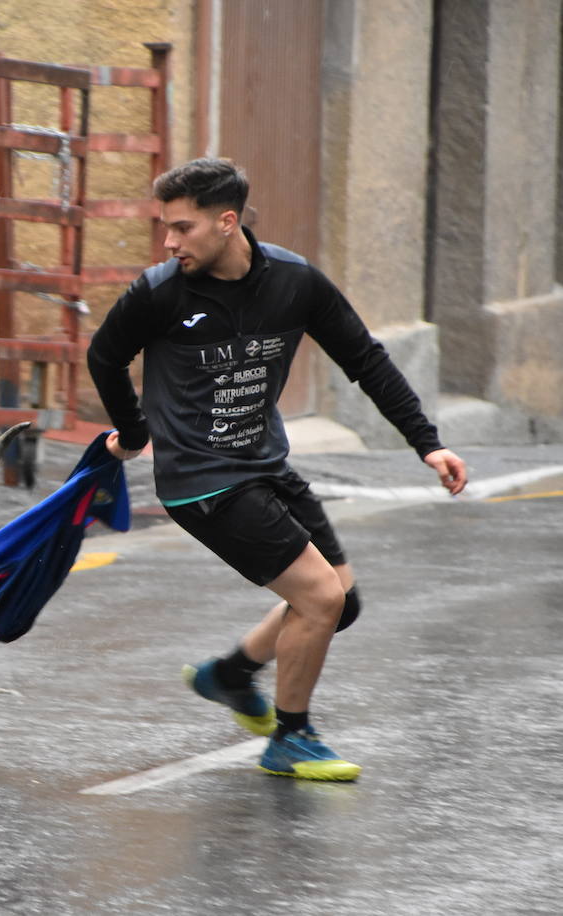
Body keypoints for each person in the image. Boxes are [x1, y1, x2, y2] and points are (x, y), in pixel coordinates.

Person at [87, 158, 468, 781]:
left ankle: (230, 675)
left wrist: (427, 443)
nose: (169, 241)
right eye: (167, 228)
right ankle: (291, 738)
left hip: (265, 464)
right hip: (201, 480)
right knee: (318, 597)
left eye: (182, 227)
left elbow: (365, 359)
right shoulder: (159, 293)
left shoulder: (294, 282)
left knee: (339, 603)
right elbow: (104, 357)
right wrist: (134, 434)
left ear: (227, 222)